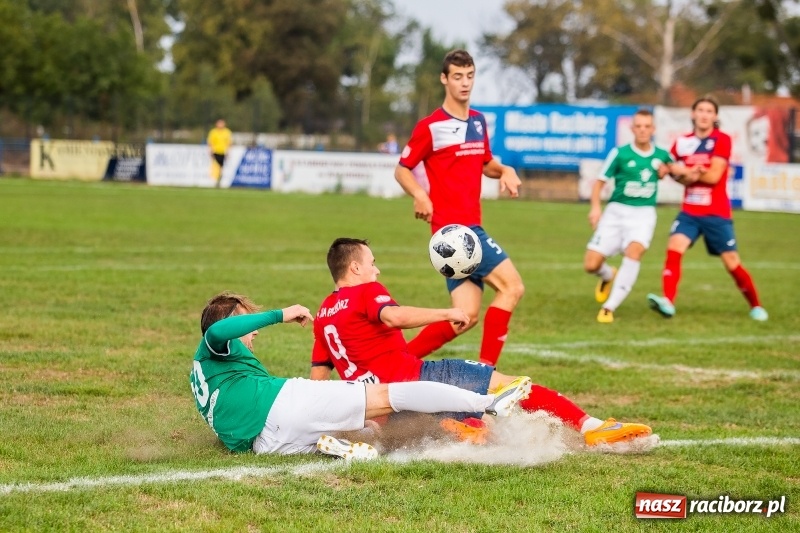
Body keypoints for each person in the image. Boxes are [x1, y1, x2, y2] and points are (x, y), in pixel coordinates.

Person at [310, 238, 653, 446]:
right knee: (513, 386)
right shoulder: (367, 291)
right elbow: (394, 317)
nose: (377, 270)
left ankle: (435, 429)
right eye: (372, 263)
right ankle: (592, 428)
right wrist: (447, 312)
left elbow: (318, 379)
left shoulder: (324, 311)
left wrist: (323, 418)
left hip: (376, 404)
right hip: (415, 380)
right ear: (354, 268)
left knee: (450, 419)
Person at [189, 292, 530, 460]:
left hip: (267, 444)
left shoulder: (202, 376)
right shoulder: (215, 343)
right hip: (283, 406)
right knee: (387, 395)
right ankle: (488, 402)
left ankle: (338, 447)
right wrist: (280, 313)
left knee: (362, 428)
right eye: (247, 324)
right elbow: (223, 329)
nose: (254, 333)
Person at [394, 49, 524, 367]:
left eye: (469, 76)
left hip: (467, 230)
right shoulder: (431, 126)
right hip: (455, 232)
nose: (464, 83)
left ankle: (398, 361)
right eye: (457, 76)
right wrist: (420, 195)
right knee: (513, 287)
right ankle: (487, 375)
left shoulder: (478, 122)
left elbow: (486, 163)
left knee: (463, 317)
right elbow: (402, 169)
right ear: (444, 79)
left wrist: (505, 170)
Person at [647, 97, 768, 321]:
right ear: (693, 114)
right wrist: (676, 172)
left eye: (709, 111)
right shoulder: (681, 142)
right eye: (700, 110)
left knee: (732, 262)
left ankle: (756, 305)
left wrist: (687, 171)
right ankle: (668, 302)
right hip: (690, 212)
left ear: (715, 117)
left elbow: (713, 176)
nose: (704, 115)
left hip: (716, 213)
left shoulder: (722, 140)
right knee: (674, 246)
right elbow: (675, 174)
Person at [584, 109, 673, 323]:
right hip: (615, 212)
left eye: (647, 126)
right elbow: (599, 183)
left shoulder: (662, 155)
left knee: (634, 252)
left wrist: (667, 171)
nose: (643, 130)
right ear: (632, 129)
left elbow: (674, 170)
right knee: (591, 265)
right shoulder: (620, 153)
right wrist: (596, 208)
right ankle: (607, 275)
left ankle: (609, 307)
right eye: (639, 126)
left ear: (653, 129)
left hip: (643, 214)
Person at [207, 119, 232, 187]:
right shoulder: (213, 132)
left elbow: (229, 143)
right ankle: (215, 180)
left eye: (222, 123)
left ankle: (219, 180)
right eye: (219, 123)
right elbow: (210, 142)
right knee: (215, 166)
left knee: (221, 167)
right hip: (215, 151)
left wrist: (228, 151)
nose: (220, 125)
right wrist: (211, 150)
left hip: (223, 152)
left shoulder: (227, 132)